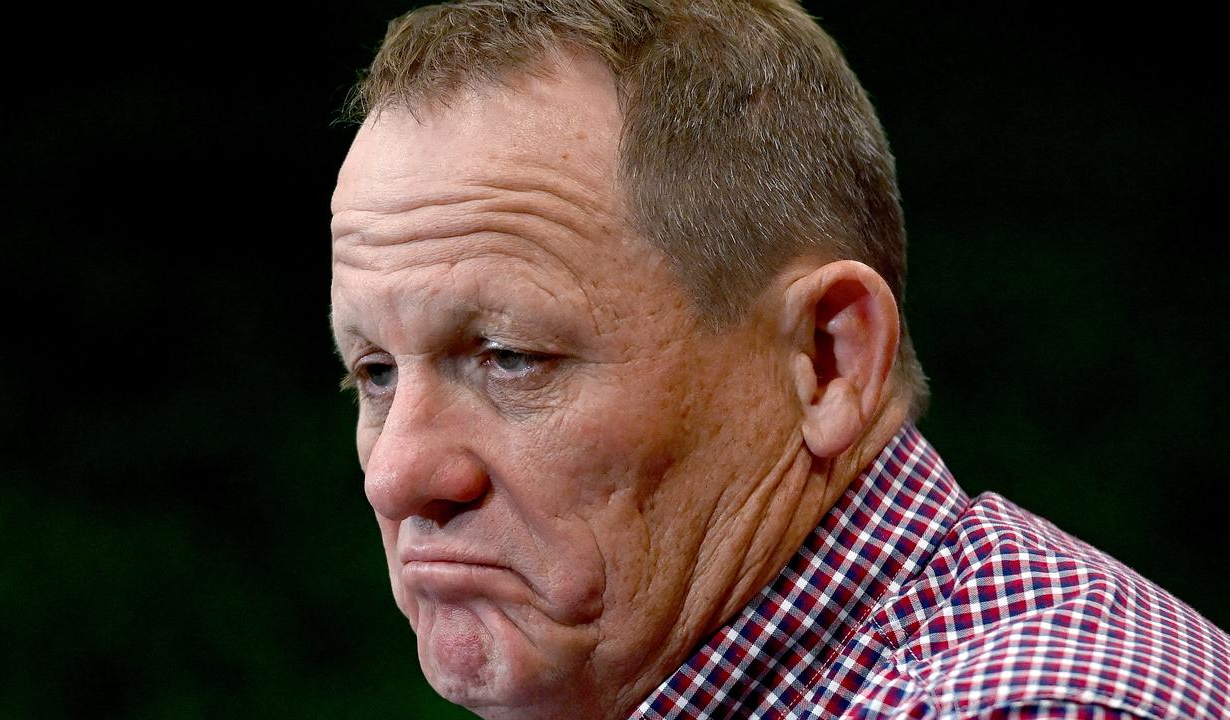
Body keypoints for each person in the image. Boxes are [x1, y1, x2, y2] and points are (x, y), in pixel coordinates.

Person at [328, 1, 1230, 718]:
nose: (398, 476)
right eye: (375, 372)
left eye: (509, 358)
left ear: (828, 360)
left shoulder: (1038, 706)